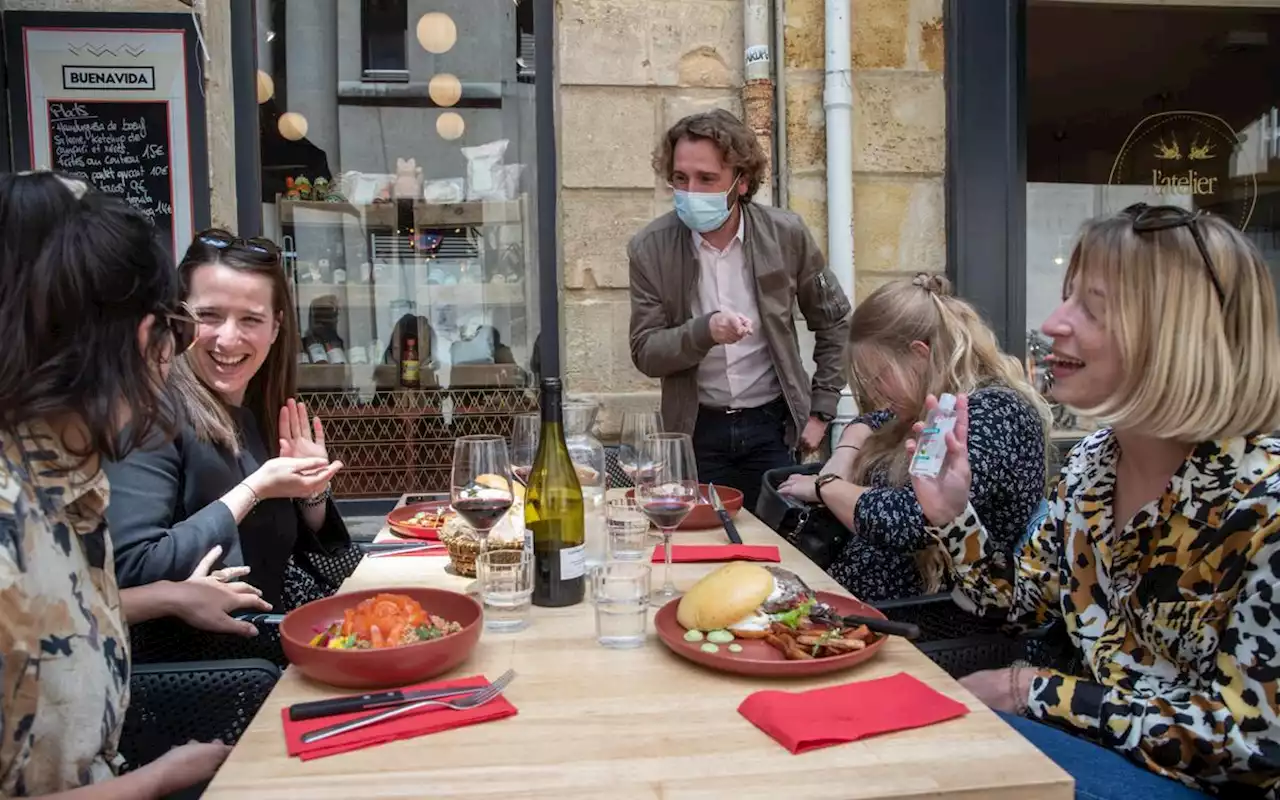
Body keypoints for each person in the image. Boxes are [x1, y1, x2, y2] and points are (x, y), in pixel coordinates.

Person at [910, 204, 1280, 798]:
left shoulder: (1264, 504)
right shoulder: (1093, 465)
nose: (1054, 321)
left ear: (1178, 337)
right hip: (1095, 755)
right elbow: (1018, 607)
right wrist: (953, 515)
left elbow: (1255, 743)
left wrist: (1028, 690)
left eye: (1092, 307)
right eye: (1065, 297)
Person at [0, 172, 271, 797]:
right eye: (188, 325)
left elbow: (57, 618)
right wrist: (161, 779)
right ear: (151, 338)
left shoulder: (68, 481)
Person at [105, 229, 351, 661]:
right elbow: (130, 570)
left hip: (266, 659)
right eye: (210, 316)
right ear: (177, 321)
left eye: (251, 319)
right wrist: (254, 489)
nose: (228, 339)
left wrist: (311, 492)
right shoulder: (148, 413)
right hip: (192, 686)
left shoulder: (256, 410)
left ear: (276, 327)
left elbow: (285, 554)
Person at [628, 109, 851, 512]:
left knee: (780, 546)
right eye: (681, 179)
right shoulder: (650, 247)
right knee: (703, 549)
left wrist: (822, 409)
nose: (691, 191)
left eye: (707, 179)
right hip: (697, 432)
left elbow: (833, 320)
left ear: (741, 181)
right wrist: (705, 331)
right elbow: (645, 351)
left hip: (774, 428)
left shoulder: (786, 234)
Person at [777, 274, 1051, 602]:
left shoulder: (995, 413)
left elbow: (909, 519)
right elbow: (874, 421)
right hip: (871, 604)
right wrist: (846, 451)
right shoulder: (934, 403)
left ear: (920, 355)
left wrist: (825, 486)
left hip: (936, 618)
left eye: (880, 377)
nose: (876, 392)